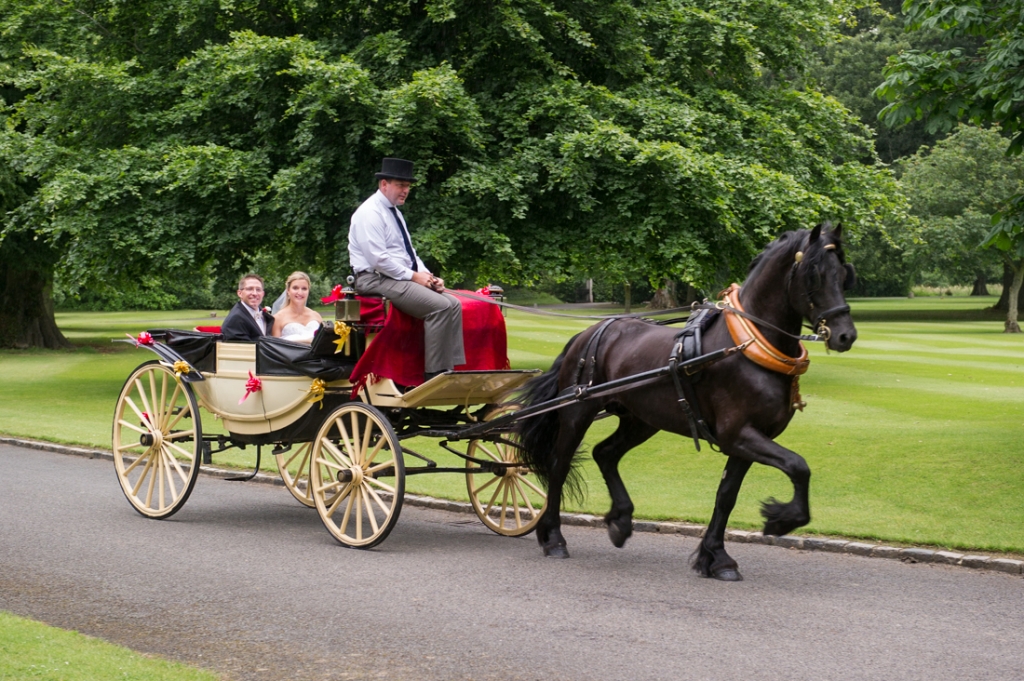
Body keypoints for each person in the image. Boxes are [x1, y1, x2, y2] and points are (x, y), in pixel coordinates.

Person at [348, 157, 465, 381]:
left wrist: (429, 277)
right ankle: (434, 375)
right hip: (373, 279)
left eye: (408, 186)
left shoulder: (395, 213)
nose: (405, 190)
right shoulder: (369, 213)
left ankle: (450, 368)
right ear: (384, 184)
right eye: (400, 185)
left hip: (395, 277)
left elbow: (409, 254)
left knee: (454, 303)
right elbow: (378, 260)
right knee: (440, 306)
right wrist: (414, 277)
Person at [271, 271, 324, 344]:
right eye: (295, 288)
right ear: (288, 291)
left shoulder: (316, 316)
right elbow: (275, 348)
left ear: (308, 291)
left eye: (304, 289)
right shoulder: (278, 318)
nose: (300, 292)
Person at [222, 274, 274, 342]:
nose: (255, 293)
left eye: (258, 289)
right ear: (240, 293)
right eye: (250, 289)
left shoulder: (263, 314)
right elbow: (244, 350)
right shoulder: (235, 319)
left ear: (263, 294)